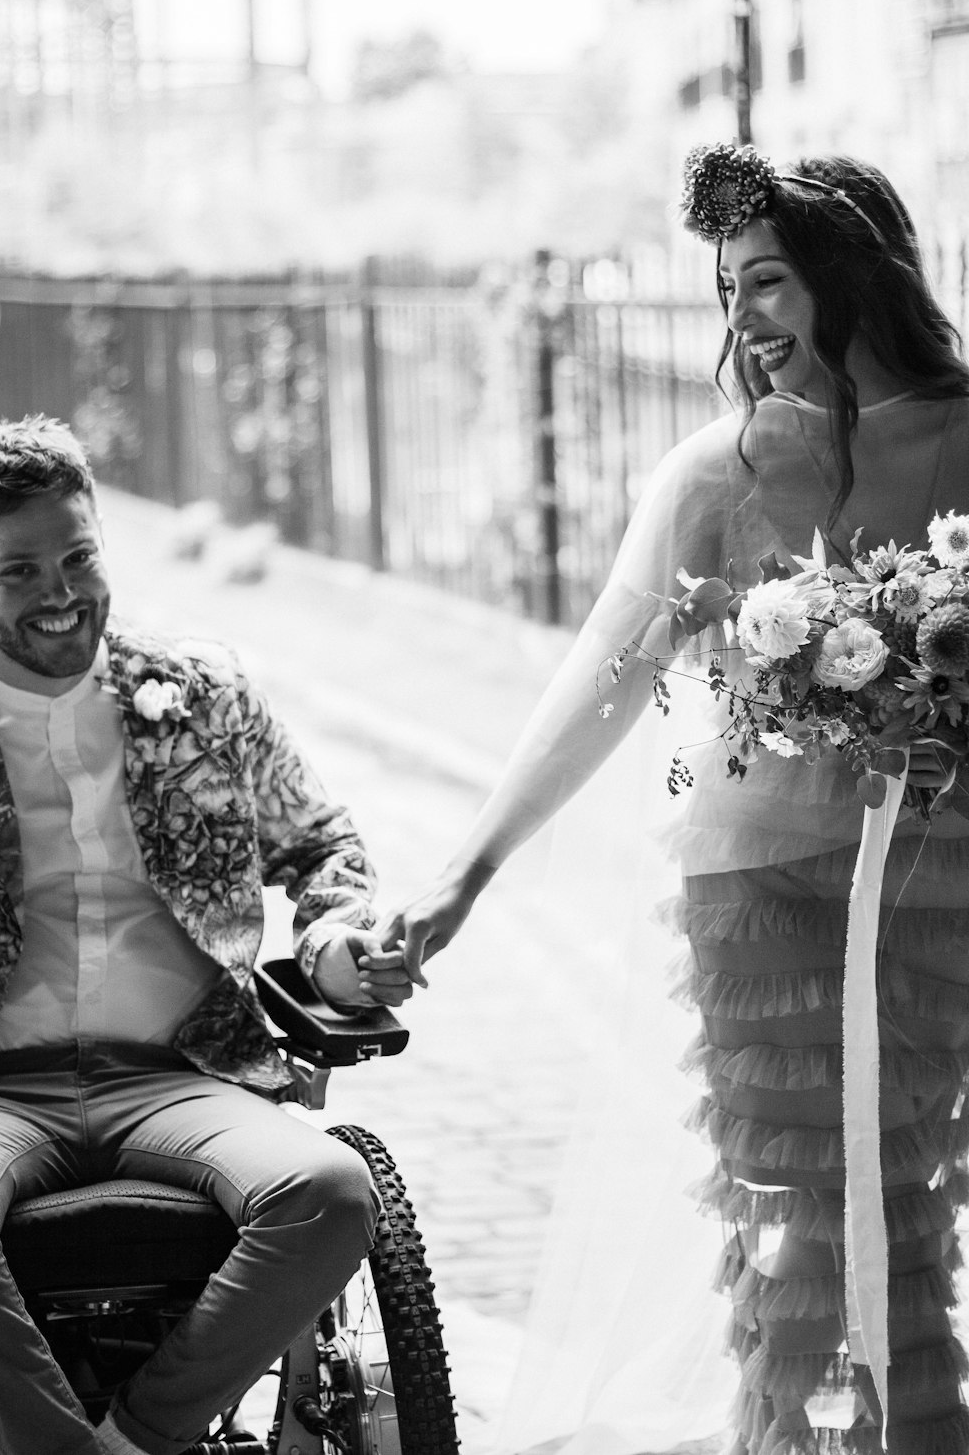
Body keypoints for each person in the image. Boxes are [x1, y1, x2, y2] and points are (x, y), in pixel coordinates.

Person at [380, 145, 969, 1453]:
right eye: (725, 289)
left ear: (849, 274)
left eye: (766, 279)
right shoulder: (717, 471)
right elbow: (602, 678)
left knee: (902, 1218)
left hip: (935, 895)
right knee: (800, 1228)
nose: (744, 316)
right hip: (760, 896)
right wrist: (463, 877)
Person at [0, 415, 413, 1455]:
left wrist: (341, 946)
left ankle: (137, 1440)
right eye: (21, 570)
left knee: (331, 1190)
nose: (61, 592)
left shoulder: (203, 695)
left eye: (79, 556)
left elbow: (320, 848)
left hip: (180, 1074)